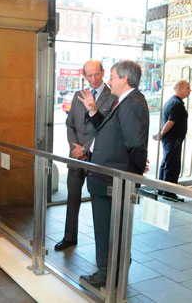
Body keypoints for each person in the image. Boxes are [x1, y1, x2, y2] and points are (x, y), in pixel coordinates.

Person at [77, 60, 149, 288]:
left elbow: (136, 145)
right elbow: (112, 133)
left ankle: (106, 272)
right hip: (108, 179)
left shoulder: (133, 103)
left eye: (113, 76)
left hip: (113, 181)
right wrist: (92, 110)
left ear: (124, 79)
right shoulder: (124, 102)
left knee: (107, 228)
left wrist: (132, 177)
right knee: (109, 227)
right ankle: (112, 268)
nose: (109, 80)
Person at [54, 60, 117, 251]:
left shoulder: (113, 97)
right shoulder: (78, 96)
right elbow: (70, 124)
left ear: (103, 72)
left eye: (97, 74)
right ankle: (69, 237)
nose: (93, 79)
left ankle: (104, 247)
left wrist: (86, 149)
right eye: (89, 75)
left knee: (99, 204)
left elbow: (107, 129)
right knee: (72, 198)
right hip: (76, 158)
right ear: (84, 75)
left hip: (97, 159)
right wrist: (75, 147)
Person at [154, 80, 190, 200]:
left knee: (166, 163)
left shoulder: (171, 102)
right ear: (180, 89)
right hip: (173, 139)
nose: (190, 90)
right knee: (172, 165)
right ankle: (169, 192)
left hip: (170, 139)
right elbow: (170, 121)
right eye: (188, 88)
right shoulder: (177, 104)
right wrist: (161, 133)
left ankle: (161, 188)